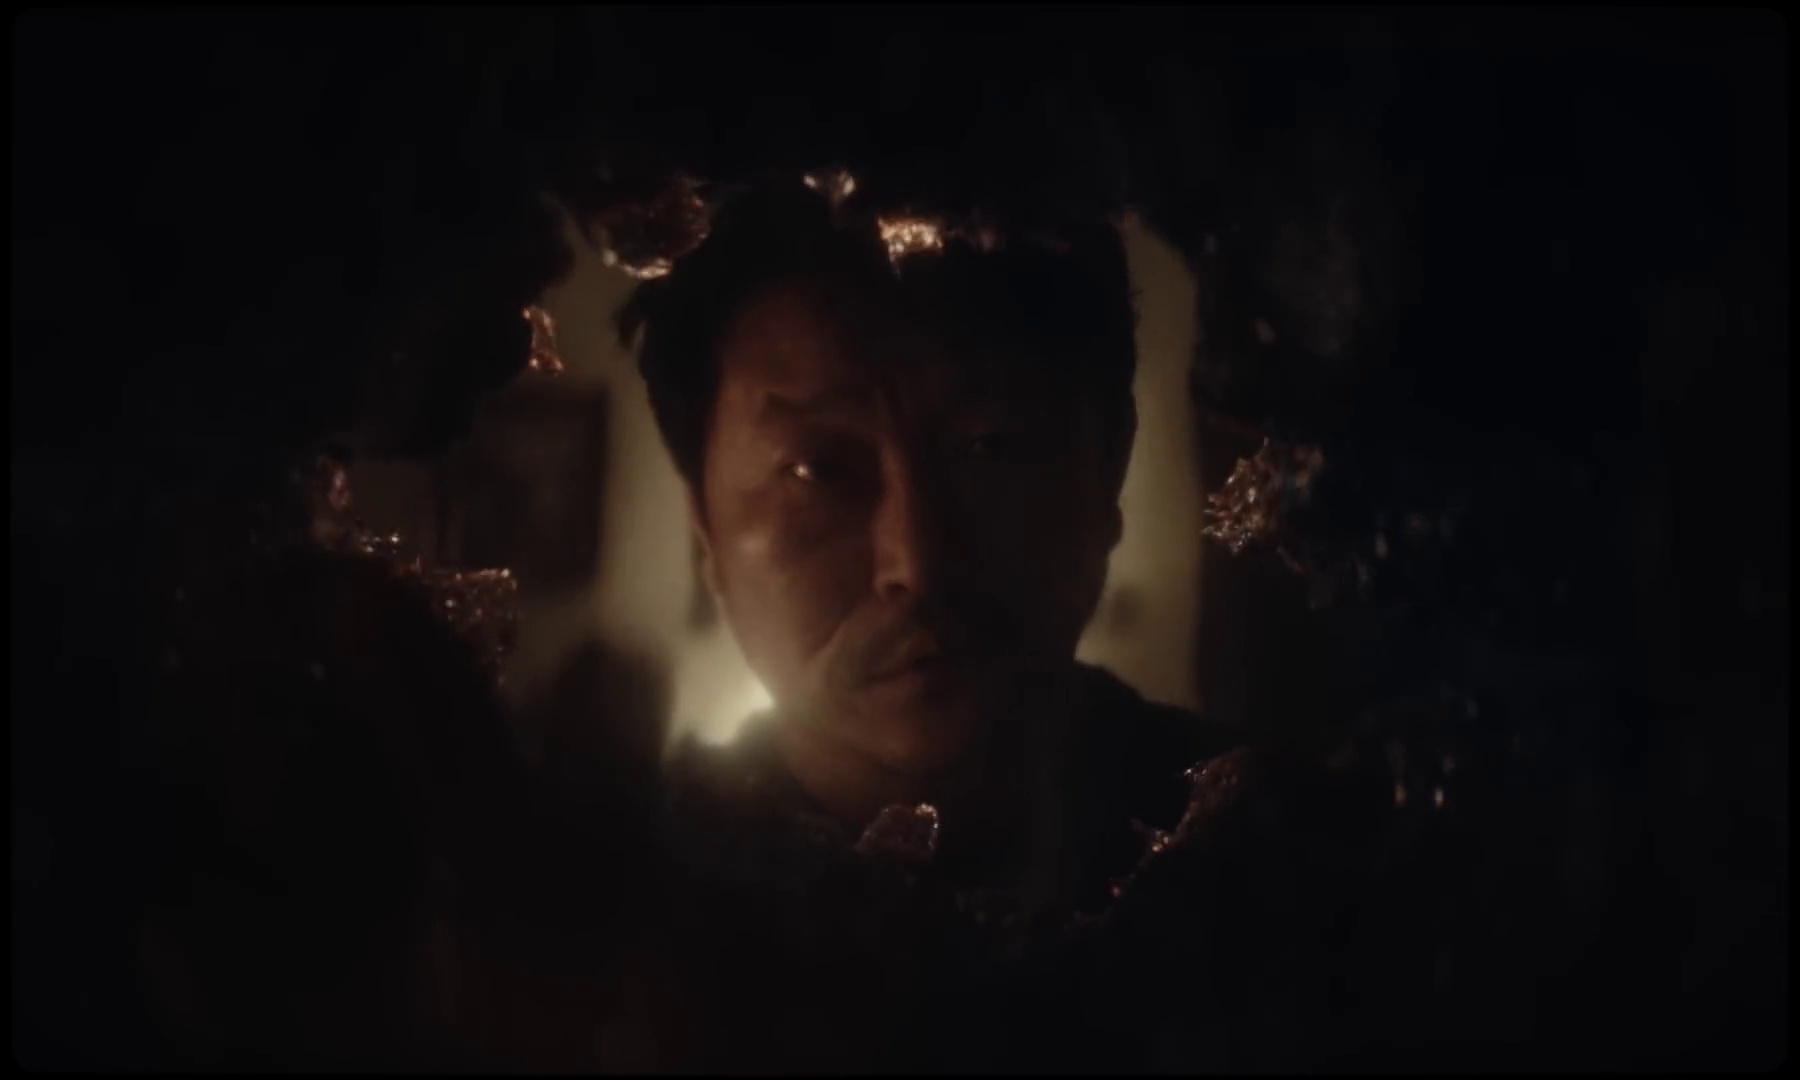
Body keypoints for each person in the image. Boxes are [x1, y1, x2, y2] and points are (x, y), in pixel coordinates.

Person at [617, 183, 1241, 922]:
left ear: (1109, 466)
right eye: (821, 471)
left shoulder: (1274, 860)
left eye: (988, 447)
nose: (916, 561)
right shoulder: (605, 914)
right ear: (705, 527)